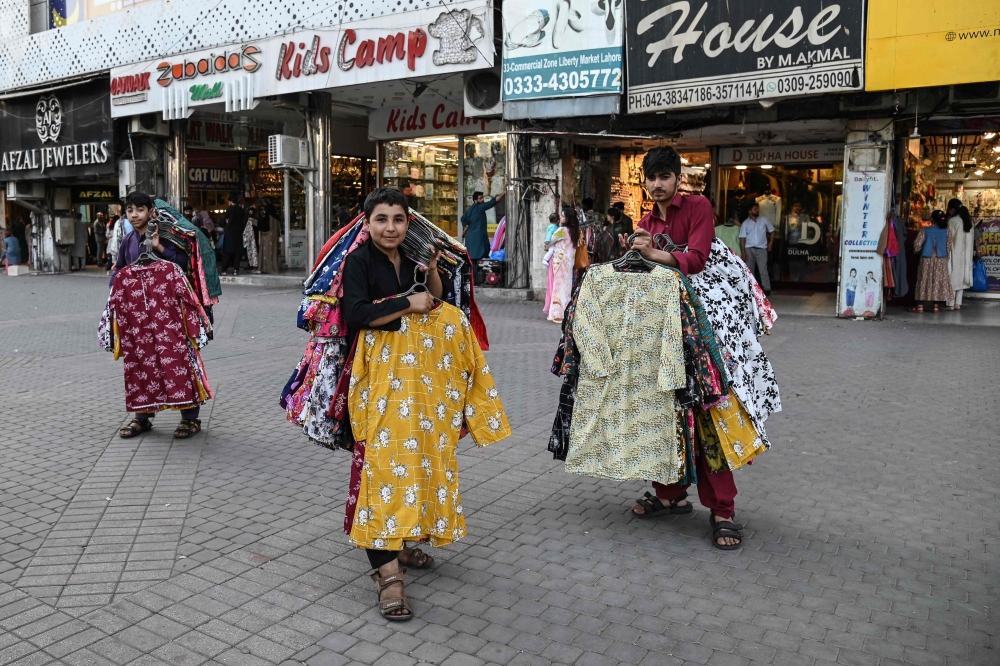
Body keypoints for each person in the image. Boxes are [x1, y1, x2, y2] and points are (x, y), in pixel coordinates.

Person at [623, 146, 749, 549]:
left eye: (664, 177)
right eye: (651, 178)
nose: (657, 185)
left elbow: (696, 259)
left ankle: (723, 509)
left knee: (707, 415)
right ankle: (669, 495)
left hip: (702, 333)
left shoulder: (698, 207)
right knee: (665, 414)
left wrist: (652, 253)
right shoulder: (645, 221)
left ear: (678, 178)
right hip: (665, 333)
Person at [340, 187, 446, 621]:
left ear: (409, 223)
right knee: (378, 470)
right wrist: (406, 303)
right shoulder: (359, 261)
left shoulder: (411, 258)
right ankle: (387, 577)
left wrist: (433, 271)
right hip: (375, 381)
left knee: (409, 463)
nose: (390, 228)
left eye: (398, 220)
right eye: (381, 219)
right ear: (367, 223)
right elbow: (357, 314)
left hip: (413, 381)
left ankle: (400, 544)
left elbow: (436, 302)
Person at [110, 192, 203, 440]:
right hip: (137, 316)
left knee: (177, 360)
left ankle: (190, 418)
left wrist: (159, 246)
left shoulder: (167, 233)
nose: (134, 215)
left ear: (151, 211)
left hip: (169, 314)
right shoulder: (128, 240)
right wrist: (117, 289)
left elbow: (183, 264)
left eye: (139, 209)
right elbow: (119, 269)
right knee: (141, 361)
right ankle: (143, 417)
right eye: (130, 210)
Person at [911, 210, 953, 314]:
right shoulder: (947, 231)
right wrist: (946, 257)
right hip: (941, 259)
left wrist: (916, 251)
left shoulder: (925, 230)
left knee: (924, 280)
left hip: (927, 258)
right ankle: (936, 306)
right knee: (938, 281)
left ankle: (920, 306)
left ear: (932, 220)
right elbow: (949, 247)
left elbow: (917, 244)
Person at [543, 207, 578, 323]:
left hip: (560, 262)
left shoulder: (561, 230)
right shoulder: (576, 231)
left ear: (567, 218)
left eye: (563, 216)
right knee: (567, 287)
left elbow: (549, 241)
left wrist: (547, 247)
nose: (561, 218)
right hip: (570, 261)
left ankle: (557, 313)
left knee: (557, 287)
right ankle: (567, 311)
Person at [739, 202, 774, 294]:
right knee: (750, 270)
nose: (757, 210)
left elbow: (772, 231)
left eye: (757, 208)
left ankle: (766, 289)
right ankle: (753, 290)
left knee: (763, 269)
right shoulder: (745, 223)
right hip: (749, 249)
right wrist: (743, 252)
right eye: (755, 209)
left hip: (761, 248)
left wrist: (770, 244)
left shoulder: (764, 220)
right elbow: (742, 238)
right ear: (749, 211)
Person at [461, 190, 505, 261]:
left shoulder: (470, 210)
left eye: (483, 198)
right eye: (480, 198)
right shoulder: (479, 207)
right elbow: (493, 202)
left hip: (470, 239)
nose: (482, 200)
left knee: (472, 262)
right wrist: (504, 192)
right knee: (479, 261)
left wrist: (469, 226)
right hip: (478, 239)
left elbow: (463, 220)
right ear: (475, 200)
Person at [946, 199, 974, 310]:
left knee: (952, 274)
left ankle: (950, 303)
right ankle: (958, 303)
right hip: (966, 253)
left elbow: (948, 237)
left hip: (955, 252)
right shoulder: (968, 221)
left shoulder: (953, 220)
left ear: (952, 209)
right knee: (962, 276)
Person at [221, 194, 245, 275]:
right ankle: (236, 270)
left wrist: (227, 222)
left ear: (231, 202)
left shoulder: (230, 209)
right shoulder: (241, 210)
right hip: (238, 234)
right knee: (237, 253)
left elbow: (223, 220)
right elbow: (244, 222)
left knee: (227, 252)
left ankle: (224, 270)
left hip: (230, 233)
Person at [259, 200, 280, 274]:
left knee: (266, 253)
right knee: (273, 254)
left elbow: (263, 226)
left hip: (267, 237)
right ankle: (274, 268)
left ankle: (267, 268)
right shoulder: (276, 218)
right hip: (274, 238)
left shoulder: (267, 216)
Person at [244, 206, 260, 274]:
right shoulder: (247, 219)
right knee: (250, 252)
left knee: (254, 252)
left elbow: (257, 226)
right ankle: (252, 266)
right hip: (250, 239)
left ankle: (255, 266)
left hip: (254, 238)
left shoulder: (254, 219)